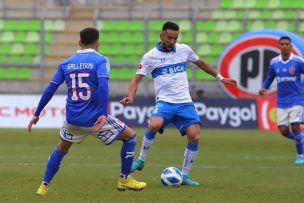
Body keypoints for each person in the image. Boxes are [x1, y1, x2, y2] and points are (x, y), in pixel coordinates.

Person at [27, 27, 147, 195]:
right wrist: (104, 114)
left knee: (61, 149)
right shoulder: (100, 60)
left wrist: (37, 113)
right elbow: (104, 86)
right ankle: (125, 179)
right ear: (97, 43)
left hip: (72, 120)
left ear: (79, 43)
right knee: (131, 137)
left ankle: (43, 186)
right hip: (94, 119)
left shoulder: (66, 63)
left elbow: (50, 89)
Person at [120, 21, 237, 186]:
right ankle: (140, 160)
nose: (172, 42)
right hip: (165, 102)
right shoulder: (150, 56)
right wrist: (130, 96)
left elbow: (201, 63)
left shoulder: (184, 50)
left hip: (184, 103)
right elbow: (135, 80)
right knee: (154, 124)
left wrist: (221, 78)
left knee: (195, 136)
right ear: (161, 36)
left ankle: (185, 175)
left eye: (175, 38)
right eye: (169, 38)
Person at [259, 36, 304, 165]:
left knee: (295, 125)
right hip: (281, 101)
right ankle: (301, 139)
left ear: (291, 46)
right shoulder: (274, 62)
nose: (284, 46)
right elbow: (270, 77)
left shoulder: (298, 61)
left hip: (296, 99)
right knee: (283, 131)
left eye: (287, 44)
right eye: (282, 44)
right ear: (279, 46)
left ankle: (300, 155)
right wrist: (264, 87)